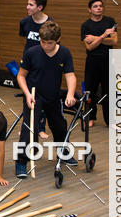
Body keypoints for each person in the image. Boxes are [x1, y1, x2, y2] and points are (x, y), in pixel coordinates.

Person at [15, 21, 77, 178]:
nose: (46, 46)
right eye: (43, 42)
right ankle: (21, 161)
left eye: (50, 43)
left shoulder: (64, 53)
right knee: (29, 128)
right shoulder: (31, 52)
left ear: (58, 40)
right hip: (33, 96)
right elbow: (21, 76)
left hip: (53, 95)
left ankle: (63, 152)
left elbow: (70, 75)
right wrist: (27, 94)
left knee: (59, 125)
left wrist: (70, 94)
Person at [20, 0, 52, 140]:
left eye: (31, 5)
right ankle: (28, 127)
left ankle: (40, 128)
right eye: (27, 4)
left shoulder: (50, 24)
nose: (27, 7)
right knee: (28, 98)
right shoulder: (24, 22)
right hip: (29, 66)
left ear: (40, 7)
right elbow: (25, 41)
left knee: (42, 98)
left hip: (44, 67)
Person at [81, 0, 117, 127]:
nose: (99, 8)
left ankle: (110, 121)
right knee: (90, 90)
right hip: (92, 62)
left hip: (108, 61)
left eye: (100, 6)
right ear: (89, 10)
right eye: (95, 6)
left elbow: (114, 41)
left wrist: (95, 38)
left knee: (109, 91)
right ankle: (90, 117)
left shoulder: (110, 21)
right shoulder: (86, 25)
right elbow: (90, 47)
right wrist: (103, 36)